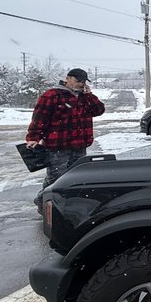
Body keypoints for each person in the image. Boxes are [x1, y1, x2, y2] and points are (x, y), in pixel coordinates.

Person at [26, 68, 105, 213]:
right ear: (67, 78)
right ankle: (44, 204)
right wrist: (33, 138)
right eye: (78, 81)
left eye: (83, 82)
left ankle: (65, 205)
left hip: (79, 146)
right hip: (58, 146)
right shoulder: (52, 95)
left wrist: (89, 96)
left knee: (75, 178)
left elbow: (99, 110)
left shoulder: (84, 97)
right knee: (56, 179)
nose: (81, 84)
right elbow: (39, 119)